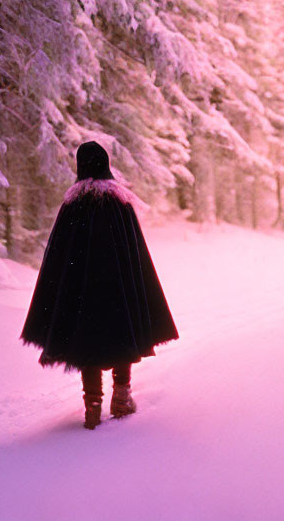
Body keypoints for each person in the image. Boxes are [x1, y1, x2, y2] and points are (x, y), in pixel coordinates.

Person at [21, 141, 178, 429]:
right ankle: (121, 397)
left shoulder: (72, 206)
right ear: (106, 165)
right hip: (118, 288)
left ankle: (92, 406)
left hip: (81, 292)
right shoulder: (120, 203)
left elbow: (58, 256)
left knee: (86, 339)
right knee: (122, 332)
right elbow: (135, 255)